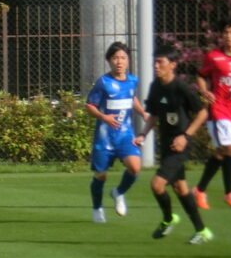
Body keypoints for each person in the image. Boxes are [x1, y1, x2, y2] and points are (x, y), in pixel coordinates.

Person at [133, 47, 213, 245]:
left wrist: (185, 136)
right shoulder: (155, 86)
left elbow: (203, 113)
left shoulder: (182, 88)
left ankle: (168, 219)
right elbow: (154, 115)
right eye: (155, 62)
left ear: (173, 65)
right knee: (180, 188)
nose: (156, 66)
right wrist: (143, 134)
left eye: (160, 62)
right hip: (167, 144)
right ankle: (202, 231)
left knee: (157, 184)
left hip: (180, 146)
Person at [194, 19, 231, 210]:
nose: (228, 36)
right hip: (218, 109)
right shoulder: (213, 56)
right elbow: (201, 75)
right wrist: (205, 91)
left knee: (222, 152)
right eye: (225, 33)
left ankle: (200, 190)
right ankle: (229, 193)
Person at [84, 42, 146, 222]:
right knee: (101, 175)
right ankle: (97, 208)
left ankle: (118, 192)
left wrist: (143, 113)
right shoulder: (103, 82)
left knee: (135, 167)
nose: (119, 62)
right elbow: (90, 106)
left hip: (125, 135)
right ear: (109, 60)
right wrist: (104, 117)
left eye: (123, 58)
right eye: (115, 58)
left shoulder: (133, 80)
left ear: (128, 60)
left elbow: (131, 97)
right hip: (104, 138)